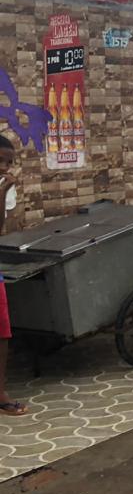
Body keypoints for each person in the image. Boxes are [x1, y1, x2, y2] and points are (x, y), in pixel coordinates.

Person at [0, 135, 26, 415]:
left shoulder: (4, 188)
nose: (4, 167)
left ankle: (0, 392)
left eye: (8, 163)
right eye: (0, 161)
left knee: (2, 329)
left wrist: (3, 191)